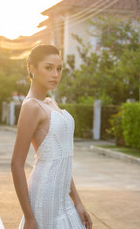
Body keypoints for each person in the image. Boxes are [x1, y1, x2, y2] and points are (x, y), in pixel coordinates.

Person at [11, 45, 92, 229]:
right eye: (48, 68)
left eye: (59, 69)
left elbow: (61, 158)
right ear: (32, 69)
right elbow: (16, 164)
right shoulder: (31, 107)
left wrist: (77, 202)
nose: (55, 74)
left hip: (63, 199)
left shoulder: (51, 103)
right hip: (44, 200)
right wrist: (29, 217)